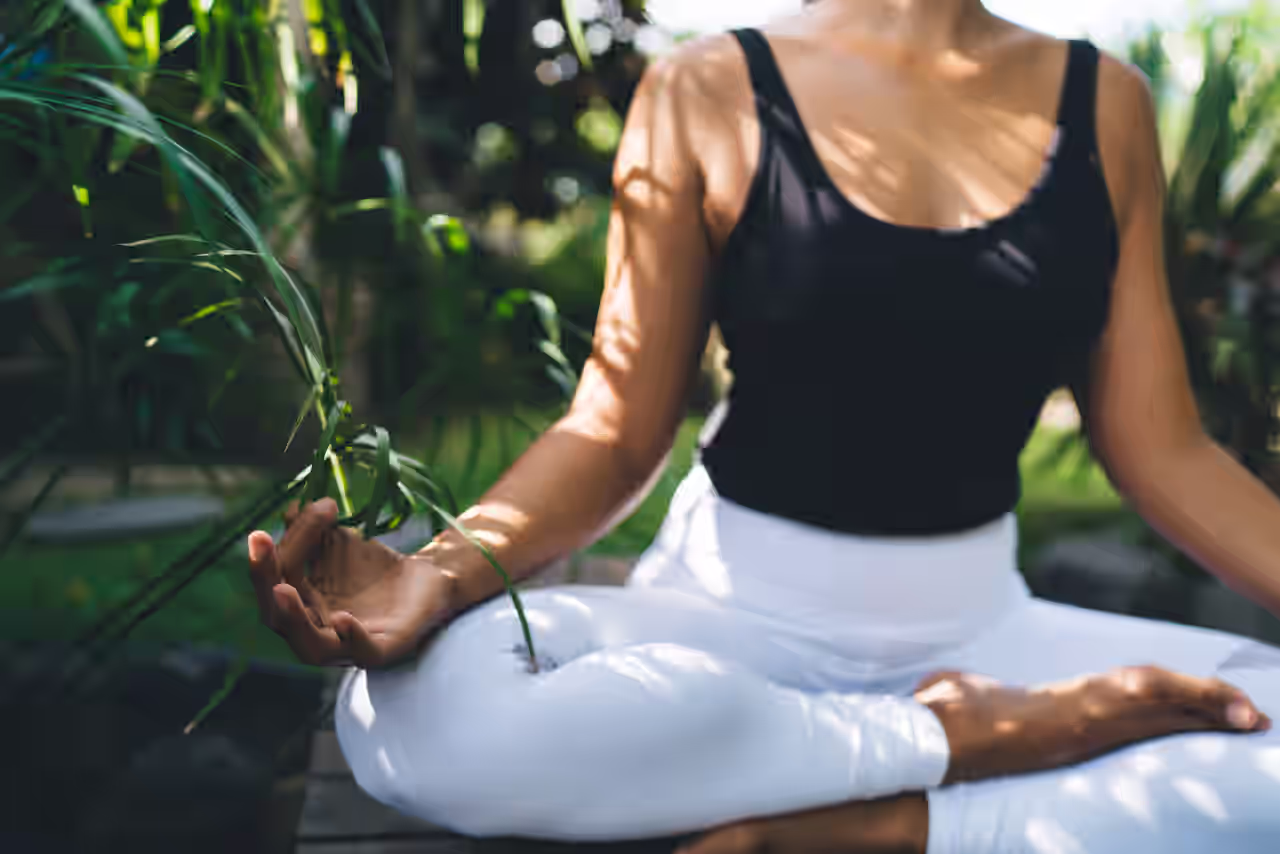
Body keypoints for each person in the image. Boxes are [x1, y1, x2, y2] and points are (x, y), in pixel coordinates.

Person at [247, 1, 1280, 851]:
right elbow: (612, 426)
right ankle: (945, 738)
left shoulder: (1104, 103)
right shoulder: (706, 87)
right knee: (412, 719)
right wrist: (440, 569)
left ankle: (875, 823)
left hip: (983, 626)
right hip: (731, 618)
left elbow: (1161, 446)